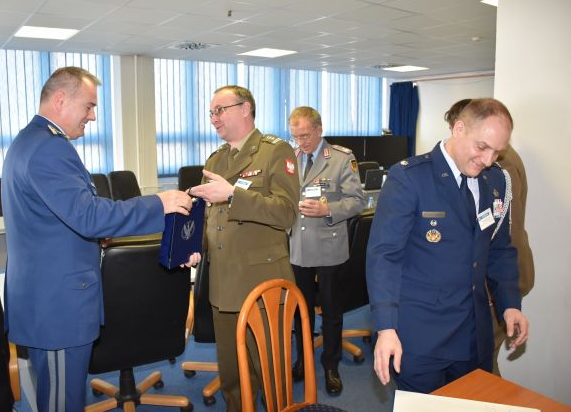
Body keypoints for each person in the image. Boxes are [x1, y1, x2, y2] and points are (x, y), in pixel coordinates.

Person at [2, 66, 199, 411]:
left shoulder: (30, 141)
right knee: (62, 402)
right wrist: (160, 203)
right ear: (60, 100)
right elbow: (88, 215)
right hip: (58, 306)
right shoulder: (49, 149)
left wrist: (97, 235)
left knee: (57, 394)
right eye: (89, 106)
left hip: (45, 296)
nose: (92, 116)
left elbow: (60, 217)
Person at [367, 98, 529, 394]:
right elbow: (384, 257)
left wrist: (509, 304)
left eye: (497, 152)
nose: (488, 160)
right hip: (422, 334)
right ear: (459, 129)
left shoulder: (495, 180)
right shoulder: (410, 177)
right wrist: (386, 327)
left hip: (473, 332)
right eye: (482, 147)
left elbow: (499, 249)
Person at [189, 85, 299, 411]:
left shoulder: (275, 151)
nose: (214, 118)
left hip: (261, 282)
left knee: (271, 371)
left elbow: (286, 212)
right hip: (223, 283)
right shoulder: (216, 158)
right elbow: (210, 218)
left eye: (220, 110)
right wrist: (195, 248)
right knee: (233, 374)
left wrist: (234, 194)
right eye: (211, 112)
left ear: (245, 108)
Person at [445, 99, 535, 376]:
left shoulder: (498, 168)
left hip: (494, 280)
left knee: (482, 363)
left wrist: (492, 289)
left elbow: (499, 234)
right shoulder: (501, 157)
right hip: (496, 276)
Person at [287, 106, 365, 395]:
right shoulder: (290, 158)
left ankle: (331, 365)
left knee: (332, 311)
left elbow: (358, 201)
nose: (301, 142)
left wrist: (327, 209)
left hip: (329, 245)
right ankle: (303, 360)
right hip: (298, 246)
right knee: (301, 311)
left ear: (319, 130)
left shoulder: (342, 158)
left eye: (305, 135)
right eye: (295, 136)